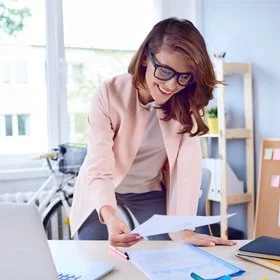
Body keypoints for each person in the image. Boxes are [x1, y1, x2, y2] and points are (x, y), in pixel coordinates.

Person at [69, 17, 235, 248]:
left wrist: (185, 230)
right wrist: (110, 217)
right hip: (102, 188)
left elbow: (188, 168)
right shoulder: (109, 93)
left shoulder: (186, 102)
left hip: (147, 189)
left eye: (183, 77)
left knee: (174, 249)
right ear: (146, 58)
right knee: (94, 254)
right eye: (165, 71)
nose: (171, 85)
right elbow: (99, 167)